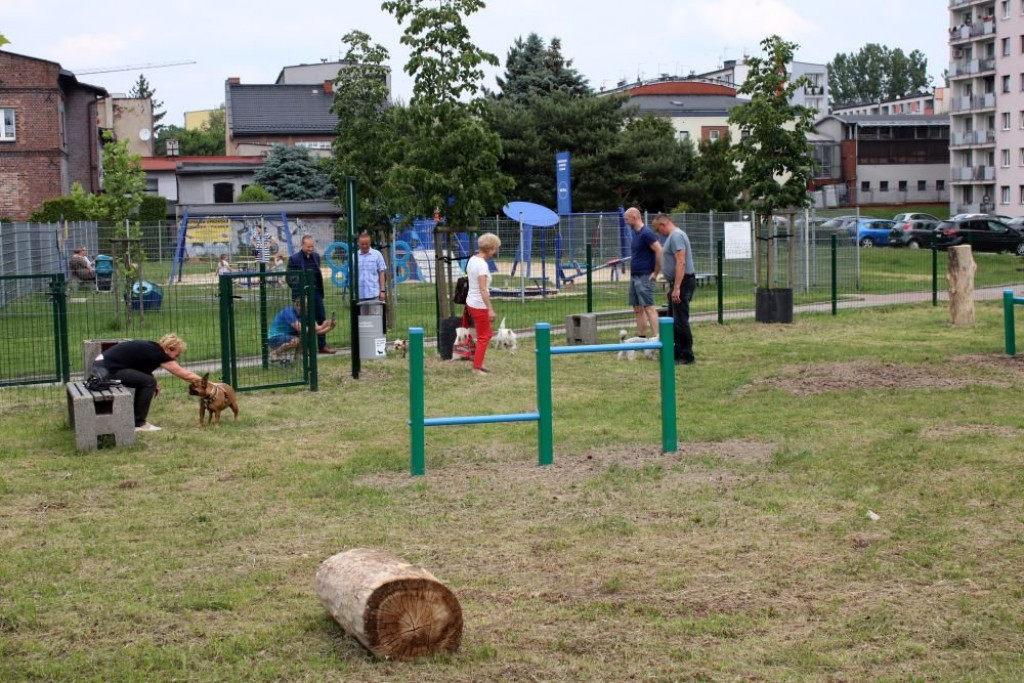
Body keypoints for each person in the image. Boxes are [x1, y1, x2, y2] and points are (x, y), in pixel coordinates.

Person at [95, 334, 203, 432]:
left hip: (101, 367)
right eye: (177, 355)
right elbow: (186, 375)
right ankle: (139, 423)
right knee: (148, 382)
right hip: (105, 371)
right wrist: (211, 385)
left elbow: (137, 364)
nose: (176, 359)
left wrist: (152, 378)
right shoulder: (160, 354)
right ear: (169, 349)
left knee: (148, 380)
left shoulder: (152, 348)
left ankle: (137, 421)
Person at [653, 213, 696, 365]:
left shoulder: (676, 235)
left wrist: (677, 287)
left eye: (658, 230)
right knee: (672, 320)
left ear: (663, 225)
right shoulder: (674, 236)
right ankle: (676, 353)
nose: (659, 234)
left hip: (683, 283)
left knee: (680, 321)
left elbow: (681, 262)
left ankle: (686, 355)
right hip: (677, 283)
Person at [287, 234, 334, 354]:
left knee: (321, 318)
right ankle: (304, 348)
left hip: (316, 292)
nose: (311, 249)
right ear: (302, 245)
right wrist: (301, 286)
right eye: (308, 247)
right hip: (302, 295)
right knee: (305, 321)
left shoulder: (316, 257)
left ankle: (322, 346)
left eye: (312, 246)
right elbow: (289, 278)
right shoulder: (294, 259)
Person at [465, 232, 501, 376]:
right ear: (491, 248)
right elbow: (483, 289)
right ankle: (477, 367)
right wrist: (490, 309)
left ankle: (478, 361)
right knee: (484, 336)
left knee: (485, 334)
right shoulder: (482, 265)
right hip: (479, 304)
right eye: (495, 248)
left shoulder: (473, 259)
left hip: (471, 301)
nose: (496, 251)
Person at [624, 207, 662, 338]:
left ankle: (657, 338)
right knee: (637, 308)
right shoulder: (635, 233)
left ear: (635, 217)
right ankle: (641, 336)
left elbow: (659, 250)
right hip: (634, 276)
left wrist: (656, 272)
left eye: (627, 219)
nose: (626, 222)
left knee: (649, 307)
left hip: (645, 276)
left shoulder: (646, 233)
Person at [268, 298, 336, 362]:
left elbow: (318, 331)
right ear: (297, 306)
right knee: (297, 339)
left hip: (288, 335)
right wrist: (323, 326)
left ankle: (297, 357)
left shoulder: (306, 314)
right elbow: (302, 329)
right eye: (304, 307)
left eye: (307, 308)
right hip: (274, 338)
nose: (306, 310)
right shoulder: (288, 312)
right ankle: (274, 353)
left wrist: (330, 327)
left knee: (303, 336)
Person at [356, 231, 387, 301]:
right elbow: (351, 275)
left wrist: (382, 291)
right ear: (358, 243)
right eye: (362, 244)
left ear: (370, 243)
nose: (364, 246)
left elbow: (381, 273)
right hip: (359, 295)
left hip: (374, 294)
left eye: (366, 244)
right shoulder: (354, 257)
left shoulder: (377, 255)